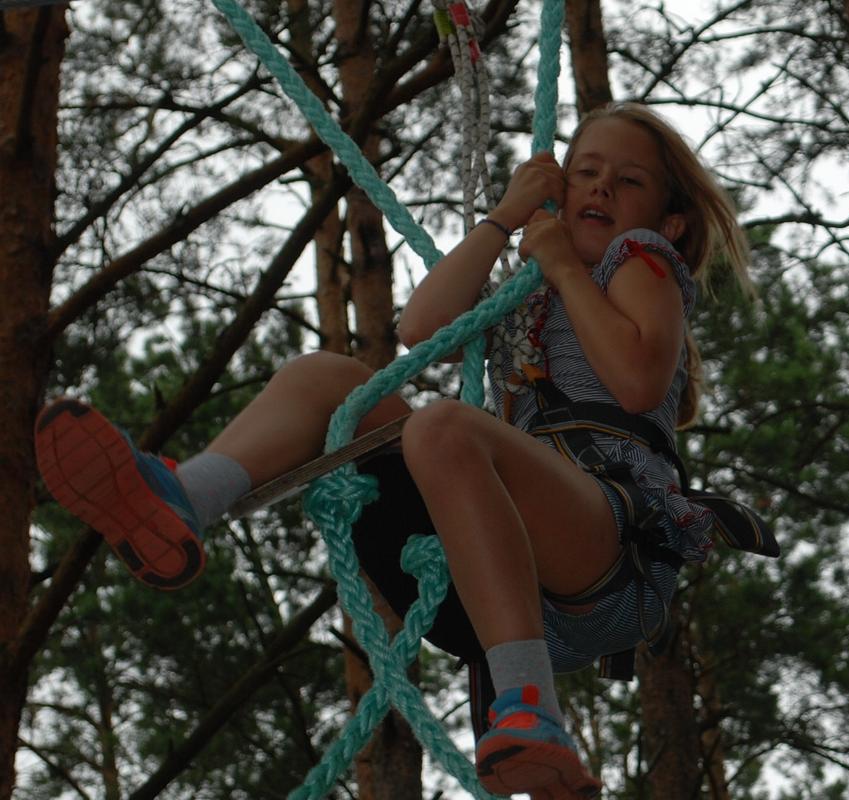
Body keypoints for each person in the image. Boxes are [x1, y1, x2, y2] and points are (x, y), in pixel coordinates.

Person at [33, 101, 751, 799]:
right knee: (330, 382)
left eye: (629, 181)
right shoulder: (534, 286)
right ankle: (186, 498)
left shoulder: (640, 260)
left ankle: (533, 709)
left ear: (670, 219)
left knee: (440, 427)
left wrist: (563, 265)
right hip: (506, 576)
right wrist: (504, 220)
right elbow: (420, 326)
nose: (601, 186)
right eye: (585, 171)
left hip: (612, 548)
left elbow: (633, 381)